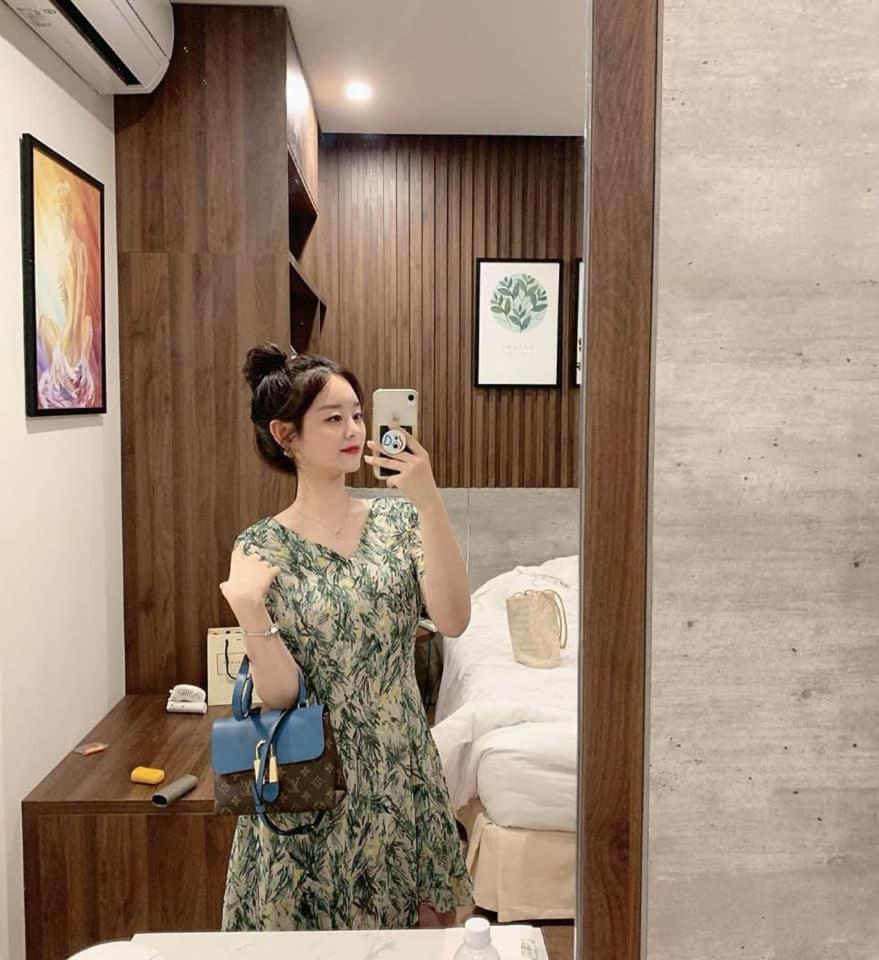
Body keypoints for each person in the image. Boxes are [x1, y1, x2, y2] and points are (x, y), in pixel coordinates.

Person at [219, 343, 474, 931]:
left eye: (357, 414)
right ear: (286, 434)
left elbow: (454, 620)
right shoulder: (259, 547)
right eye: (333, 418)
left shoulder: (400, 521)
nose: (355, 430)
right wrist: (250, 609)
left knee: (416, 938)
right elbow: (281, 695)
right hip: (310, 777)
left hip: (400, 771)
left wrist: (428, 498)